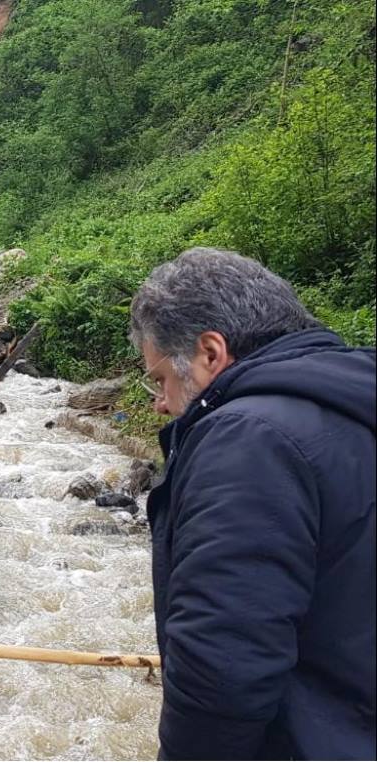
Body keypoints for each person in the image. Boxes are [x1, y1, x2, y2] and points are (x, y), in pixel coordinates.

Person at [129, 247, 376, 760]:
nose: (159, 402)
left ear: (211, 353)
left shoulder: (248, 439)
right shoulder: (355, 401)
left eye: (160, 379)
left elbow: (223, 663)